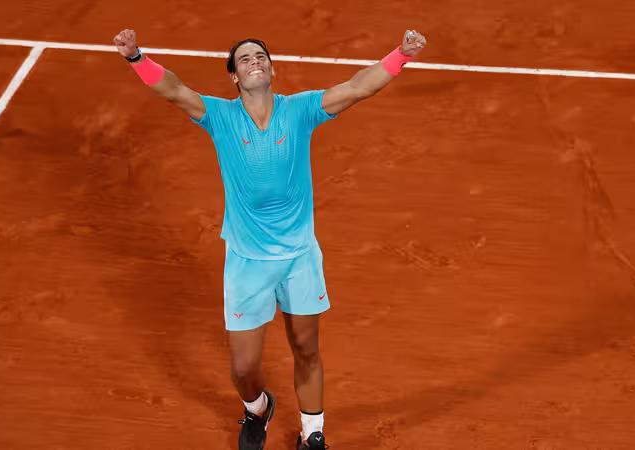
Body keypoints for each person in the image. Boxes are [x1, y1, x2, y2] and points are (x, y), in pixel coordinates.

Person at [113, 28, 426, 450]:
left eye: (260, 56)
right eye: (244, 59)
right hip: (248, 262)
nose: (254, 61)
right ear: (235, 77)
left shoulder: (298, 110)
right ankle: (258, 407)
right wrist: (136, 58)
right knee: (244, 368)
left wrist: (400, 55)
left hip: (299, 258)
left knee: (306, 349)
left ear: (272, 70)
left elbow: (357, 88)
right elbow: (173, 90)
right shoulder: (219, 117)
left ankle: (312, 434)